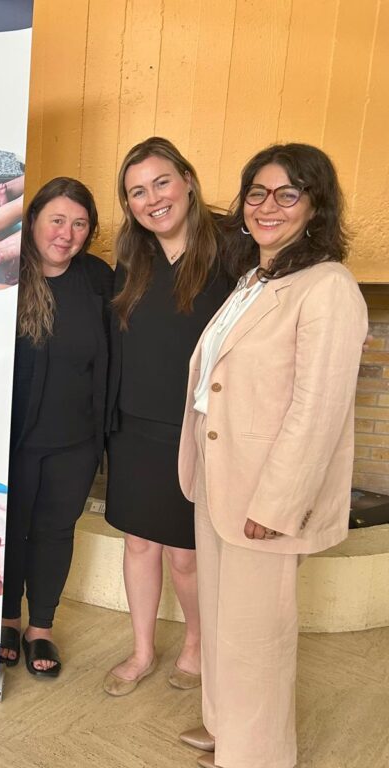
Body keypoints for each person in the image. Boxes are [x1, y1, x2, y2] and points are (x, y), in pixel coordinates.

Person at [176, 144, 366, 768]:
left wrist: (279, 503)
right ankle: (226, 727)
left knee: (257, 634)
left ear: (315, 206)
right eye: (257, 192)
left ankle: (257, 756)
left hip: (264, 491)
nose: (268, 206)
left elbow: (319, 409)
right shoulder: (255, 279)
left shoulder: (329, 286)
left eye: (288, 194)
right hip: (219, 473)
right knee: (224, 620)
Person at [102, 138, 234, 696]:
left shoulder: (232, 249)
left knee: (185, 555)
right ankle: (141, 650)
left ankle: (195, 647)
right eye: (137, 192)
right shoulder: (132, 258)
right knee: (138, 545)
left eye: (161, 183)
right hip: (135, 428)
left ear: (187, 180)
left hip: (196, 430)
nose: (152, 199)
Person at [0, 177, 114, 676]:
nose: (66, 234)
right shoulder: (5, 275)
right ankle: (6, 617)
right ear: (32, 221)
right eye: (57, 220)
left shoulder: (99, 279)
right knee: (8, 527)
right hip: (10, 437)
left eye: (80, 224)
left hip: (75, 440)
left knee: (54, 530)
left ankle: (40, 627)